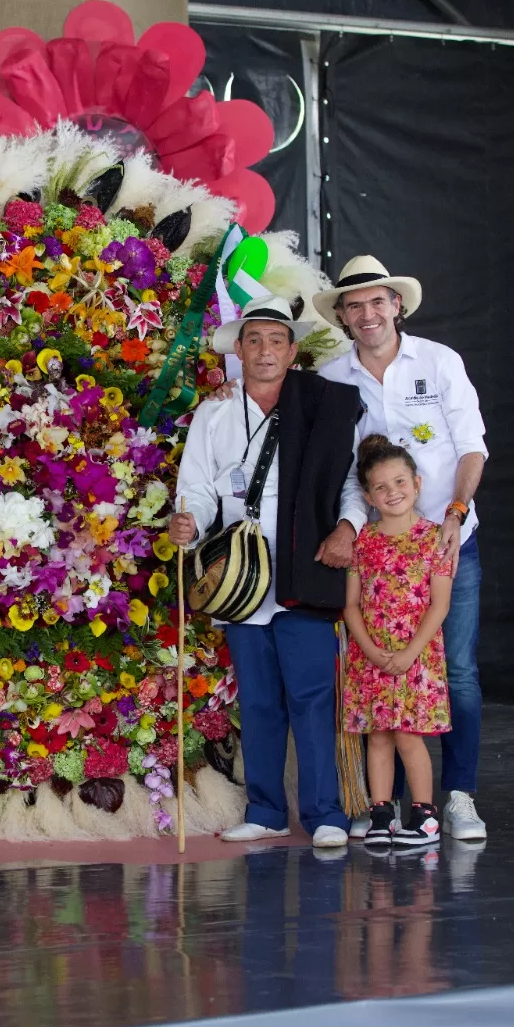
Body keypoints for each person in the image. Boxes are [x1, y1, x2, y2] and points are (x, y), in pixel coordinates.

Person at [171, 295, 364, 847]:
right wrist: (188, 520)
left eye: (276, 340)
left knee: (311, 695)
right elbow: (199, 487)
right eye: (254, 339)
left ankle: (326, 814)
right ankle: (266, 810)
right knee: (256, 699)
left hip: (305, 562)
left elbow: (349, 481)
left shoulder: (323, 404)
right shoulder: (214, 412)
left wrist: (348, 527)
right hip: (238, 572)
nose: (264, 350)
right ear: (238, 347)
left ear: (293, 350)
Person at [314, 256, 490, 842]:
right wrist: (347, 525)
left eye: (377, 301)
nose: (368, 314)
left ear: (397, 305)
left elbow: (472, 448)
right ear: (342, 316)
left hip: (445, 544)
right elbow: (345, 471)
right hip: (381, 558)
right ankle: (383, 804)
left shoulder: (439, 362)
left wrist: (455, 513)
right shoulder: (335, 378)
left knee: (457, 671)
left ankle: (457, 797)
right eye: (355, 305)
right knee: (379, 678)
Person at [343, 434, 454, 847]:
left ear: (418, 484)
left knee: (408, 734)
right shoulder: (364, 542)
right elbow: (351, 605)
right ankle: (381, 813)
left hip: (416, 656)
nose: (393, 493)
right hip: (370, 655)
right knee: (379, 735)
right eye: (381, 487)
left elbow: (439, 606)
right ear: (369, 497)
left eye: (400, 482)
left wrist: (408, 653)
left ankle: (425, 818)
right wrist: (372, 651)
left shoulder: (435, 540)